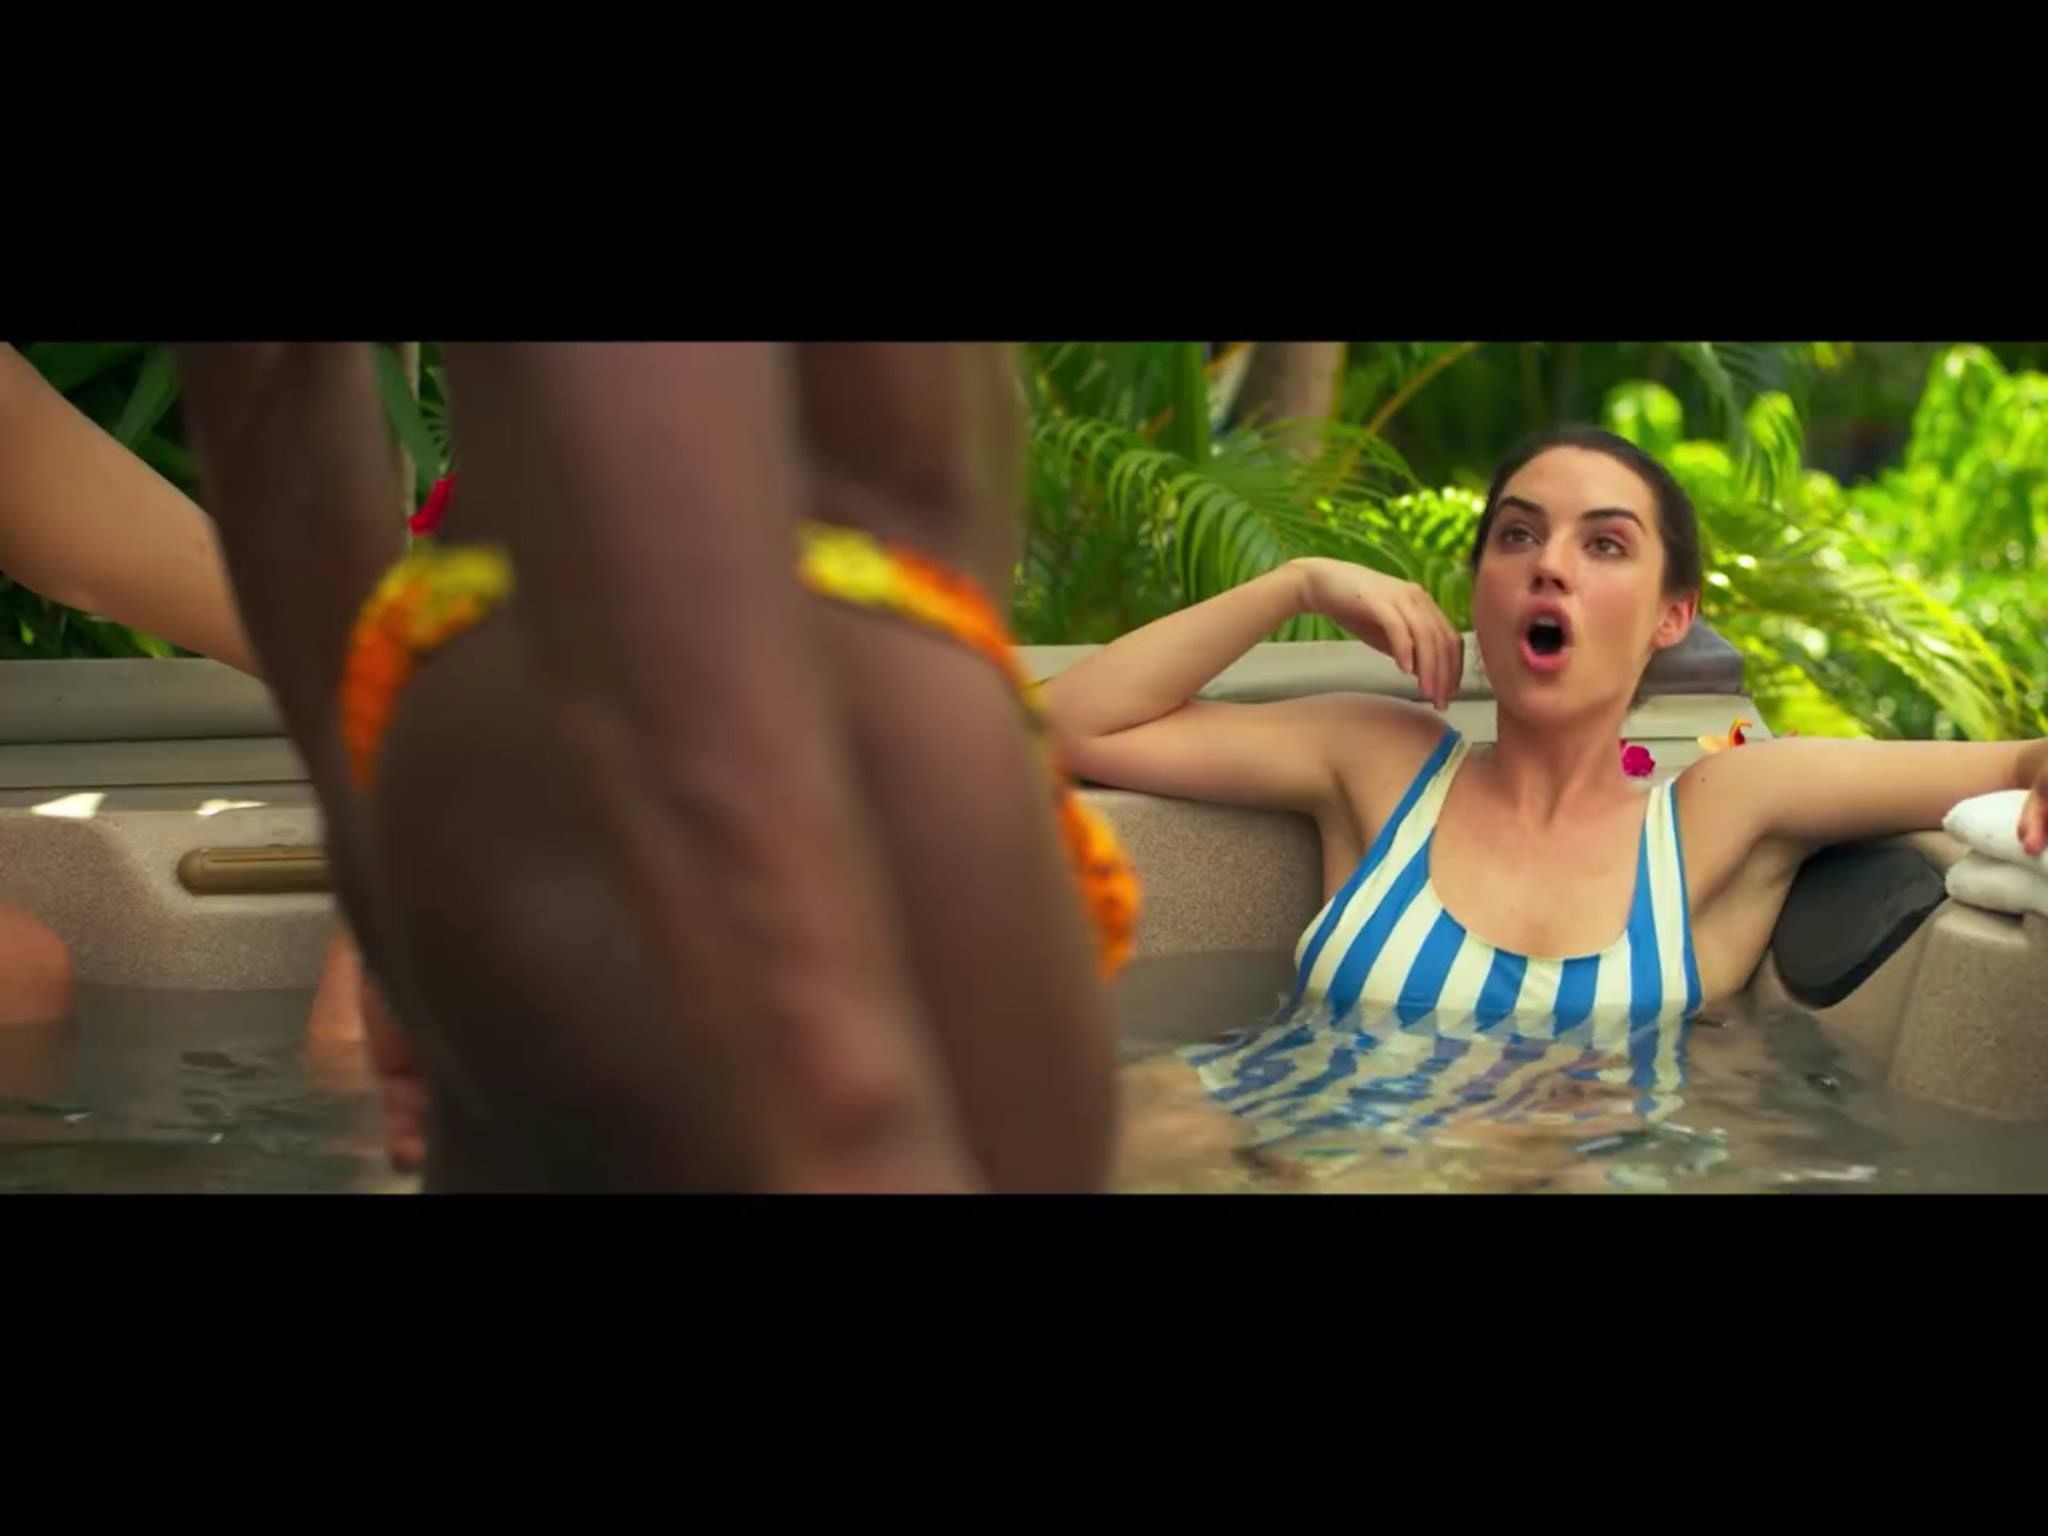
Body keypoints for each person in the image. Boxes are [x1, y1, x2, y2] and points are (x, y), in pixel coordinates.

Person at [177, 342, 1122, 1192]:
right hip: (772, 751)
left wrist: (367, 820)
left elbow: (267, 370)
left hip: (527, 714)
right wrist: (839, 1095)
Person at [1041, 426, 2048, 1186]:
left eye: (1603, 545)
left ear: (1671, 615)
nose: (1548, 564)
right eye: (1517, 535)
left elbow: (2013, 760)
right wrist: (1293, 585)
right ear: (1481, 589)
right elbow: (1064, 726)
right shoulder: (1382, 762)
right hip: (1236, 1136)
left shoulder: (1713, 817)